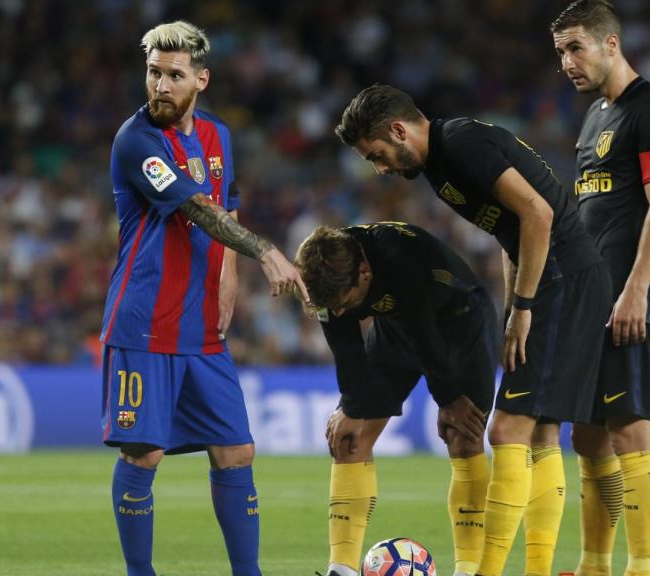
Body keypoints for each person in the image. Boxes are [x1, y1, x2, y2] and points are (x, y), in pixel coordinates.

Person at [335, 86, 612, 576]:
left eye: (377, 154)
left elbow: (539, 214)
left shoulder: (460, 144)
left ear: (399, 131)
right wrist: (515, 306)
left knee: (507, 429)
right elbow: (514, 233)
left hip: (564, 278)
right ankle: (538, 570)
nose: (380, 168)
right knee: (541, 432)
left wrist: (525, 304)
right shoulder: (440, 166)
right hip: (554, 279)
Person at [100, 21, 309, 576]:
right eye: (153, 73)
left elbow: (229, 204)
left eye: (174, 75)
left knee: (237, 450)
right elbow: (196, 207)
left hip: (202, 329)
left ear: (202, 79)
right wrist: (265, 251)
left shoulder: (218, 136)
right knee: (143, 454)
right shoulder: (137, 140)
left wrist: (231, 278)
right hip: (144, 321)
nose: (161, 86)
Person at [551, 2, 650, 575]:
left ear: (610, 44)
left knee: (631, 434)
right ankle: (595, 567)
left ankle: (642, 569)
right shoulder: (593, 119)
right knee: (587, 437)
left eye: (575, 47)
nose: (566, 63)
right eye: (560, 52)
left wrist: (637, 291)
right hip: (593, 300)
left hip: (633, 299)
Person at [296, 222, 496, 576]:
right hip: (395, 329)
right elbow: (345, 344)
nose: (339, 314)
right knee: (349, 437)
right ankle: (340, 569)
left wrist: (448, 398)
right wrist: (352, 407)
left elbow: (425, 332)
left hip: (459, 323)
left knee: (463, 437)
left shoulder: (402, 260)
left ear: (365, 271)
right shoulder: (328, 279)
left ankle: (469, 569)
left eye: (344, 305)